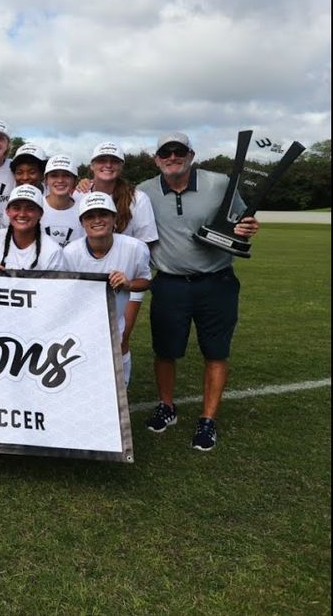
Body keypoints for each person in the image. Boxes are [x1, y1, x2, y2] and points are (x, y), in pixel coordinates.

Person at [137, 131, 260, 451]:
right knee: (165, 351)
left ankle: (208, 419)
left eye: (179, 151)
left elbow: (243, 221)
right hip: (169, 283)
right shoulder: (143, 191)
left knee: (216, 351)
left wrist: (247, 227)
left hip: (216, 282)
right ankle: (167, 406)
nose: (172, 157)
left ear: (191, 155)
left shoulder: (219, 184)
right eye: (166, 152)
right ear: (156, 159)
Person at [60, 192, 151, 386]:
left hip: (114, 322)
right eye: (90, 216)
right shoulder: (70, 253)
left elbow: (145, 280)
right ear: (82, 222)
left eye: (103, 214)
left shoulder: (135, 248)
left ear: (114, 218)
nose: (97, 220)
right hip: (80, 324)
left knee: (116, 363)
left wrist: (128, 284)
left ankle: (122, 392)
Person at [87, 141, 159, 369]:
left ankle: (120, 391)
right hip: (89, 281)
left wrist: (128, 280)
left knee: (120, 340)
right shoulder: (81, 194)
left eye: (114, 161)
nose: (107, 165)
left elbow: (145, 244)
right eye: (102, 160)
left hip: (127, 282)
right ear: (92, 165)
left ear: (121, 166)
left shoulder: (138, 198)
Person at [0, 184, 65, 271]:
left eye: (30, 209)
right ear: (7, 211)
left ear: (40, 214)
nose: (22, 214)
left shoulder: (52, 250)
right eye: (16, 208)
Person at [40, 155, 84, 248]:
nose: (60, 180)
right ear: (46, 180)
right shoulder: (36, 206)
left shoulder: (83, 209)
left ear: (75, 180)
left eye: (66, 175)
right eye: (54, 176)